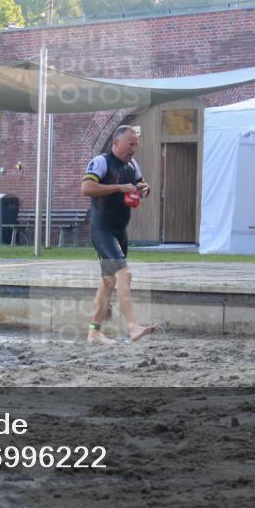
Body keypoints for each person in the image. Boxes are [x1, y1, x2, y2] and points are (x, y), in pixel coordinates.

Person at [80, 125, 157, 344]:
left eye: (136, 145)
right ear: (116, 143)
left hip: (120, 231)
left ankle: (94, 332)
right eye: (130, 144)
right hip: (102, 229)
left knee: (108, 282)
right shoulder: (101, 162)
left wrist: (144, 189)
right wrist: (118, 188)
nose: (133, 149)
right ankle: (133, 327)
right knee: (125, 274)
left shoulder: (132, 164)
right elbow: (86, 188)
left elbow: (139, 184)